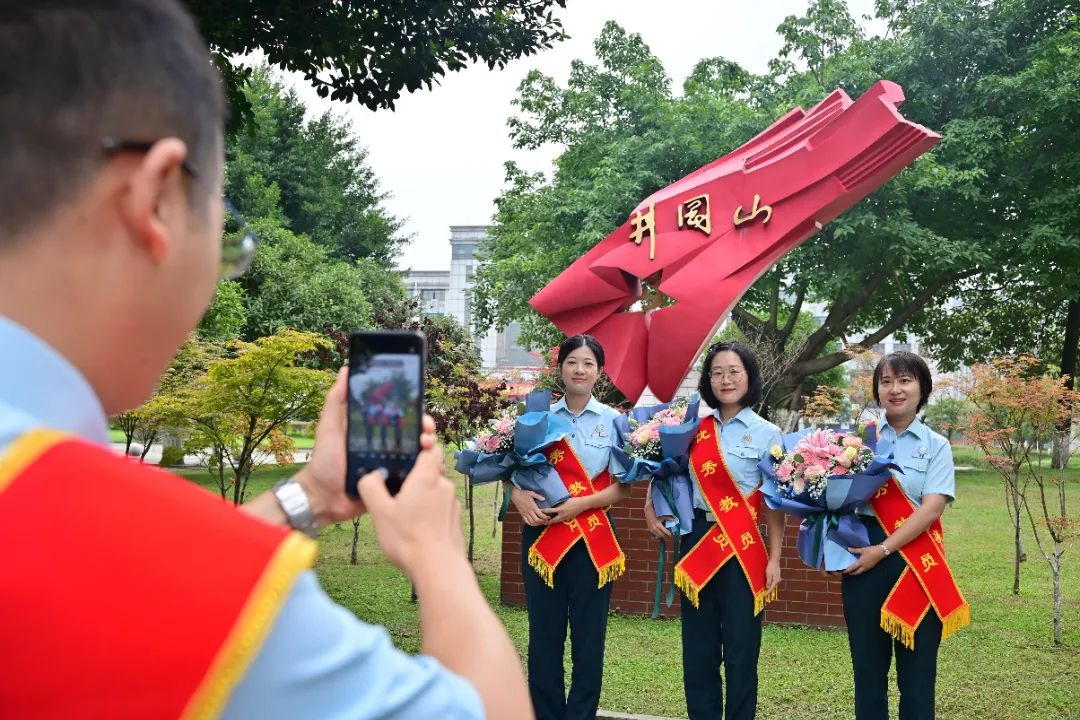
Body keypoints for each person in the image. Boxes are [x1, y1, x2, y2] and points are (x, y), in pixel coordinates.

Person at [0, 2, 531, 718]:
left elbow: (136, 577)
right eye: (224, 229)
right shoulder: (176, 574)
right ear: (154, 198)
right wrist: (434, 551)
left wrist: (309, 494)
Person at [644, 341, 785, 720]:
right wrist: (650, 504)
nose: (726, 379)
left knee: (742, 653)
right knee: (699, 651)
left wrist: (775, 558)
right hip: (698, 542)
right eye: (717, 372)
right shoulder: (692, 429)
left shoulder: (768, 433)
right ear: (708, 380)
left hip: (744, 549)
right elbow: (667, 474)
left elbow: (774, 505)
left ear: (749, 377)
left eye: (734, 371)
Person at [840, 351, 968, 720]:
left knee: (917, 679)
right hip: (862, 559)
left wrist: (883, 549)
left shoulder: (936, 444)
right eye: (886, 381)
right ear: (877, 390)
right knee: (868, 675)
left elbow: (931, 509)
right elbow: (837, 497)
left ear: (922, 388)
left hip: (915, 561)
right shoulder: (858, 441)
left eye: (905, 380)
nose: (895, 389)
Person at [509, 334, 630, 720]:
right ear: (560, 368)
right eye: (572, 362)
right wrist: (516, 494)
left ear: (599, 371)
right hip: (544, 536)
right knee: (544, 635)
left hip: (593, 539)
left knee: (589, 638)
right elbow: (513, 468)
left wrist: (581, 504)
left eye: (588, 363)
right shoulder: (537, 417)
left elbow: (623, 486)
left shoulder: (614, 421)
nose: (580, 370)